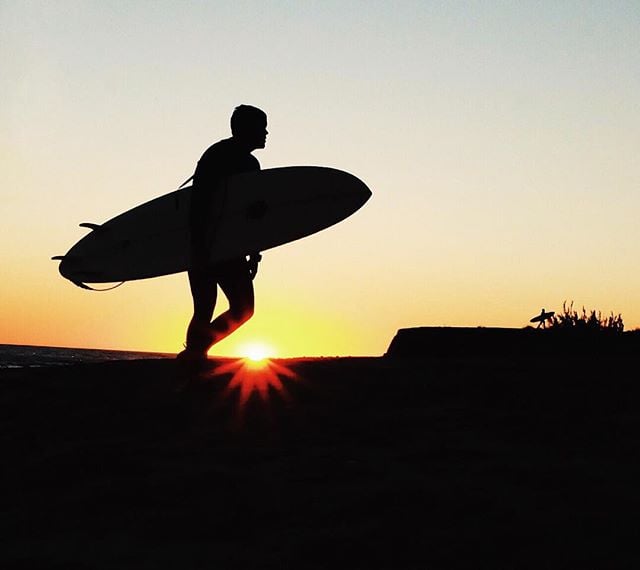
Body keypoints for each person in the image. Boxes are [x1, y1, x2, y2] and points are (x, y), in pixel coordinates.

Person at [178, 105, 268, 361]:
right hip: (211, 243)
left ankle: (195, 352)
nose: (266, 132)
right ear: (245, 128)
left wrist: (253, 251)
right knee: (217, 307)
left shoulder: (242, 160)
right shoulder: (224, 157)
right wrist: (200, 244)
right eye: (261, 127)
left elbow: (248, 212)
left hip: (223, 245)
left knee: (225, 308)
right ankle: (195, 354)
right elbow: (201, 201)